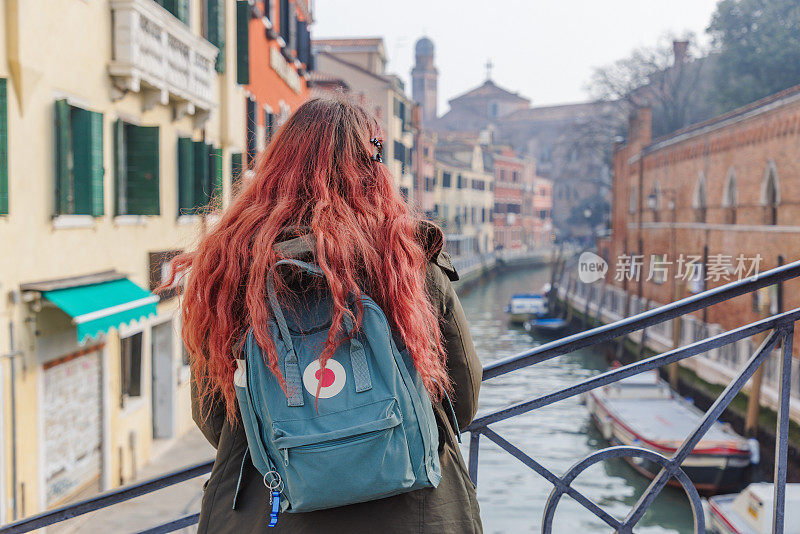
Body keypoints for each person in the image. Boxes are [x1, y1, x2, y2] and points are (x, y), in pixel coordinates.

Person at [168, 96, 483, 533]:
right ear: (371, 168)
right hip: (414, 512)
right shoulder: (405, 261)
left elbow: (214, 419)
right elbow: (461, 398)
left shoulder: (230, 270)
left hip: (272, 511)